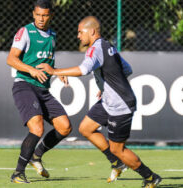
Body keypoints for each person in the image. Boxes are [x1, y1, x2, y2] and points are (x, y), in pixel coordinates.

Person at [37, 16, 162, 187]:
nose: (78, 36)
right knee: (86, 128)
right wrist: (106, 85)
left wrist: (54, 71)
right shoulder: (108, 45)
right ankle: (117, 163)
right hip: (108, 100)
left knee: (117, 149)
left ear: (92, 31)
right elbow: (127, 69)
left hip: (120, 105)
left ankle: (150, 177)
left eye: (81, 32)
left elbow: (83, 69)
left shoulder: (95, 49)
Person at [6, 0, 72, 184]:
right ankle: (18, 173)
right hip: (24, 85)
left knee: (65, 127)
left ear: (51, 15)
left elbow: (46, 63)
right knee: (36, 128)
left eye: (45, 15)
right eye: (38, 15)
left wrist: (57, 72)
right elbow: (11, 59)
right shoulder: (25, 32)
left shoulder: (52, 35)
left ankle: (37, 155)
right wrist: (31, 70)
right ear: (33, 14)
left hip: (43, 90)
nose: (41, 19)